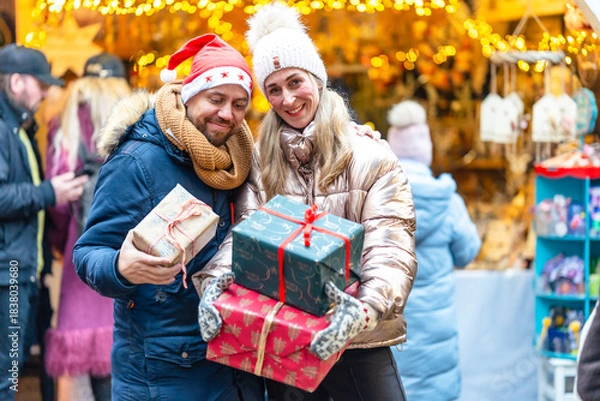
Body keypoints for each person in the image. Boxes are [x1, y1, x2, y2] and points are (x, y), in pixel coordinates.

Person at [195, 4, 417, 401]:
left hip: (358, 339)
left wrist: (359, 312)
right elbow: (247, 236)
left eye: (295, 82)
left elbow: (391, 249)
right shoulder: (261, 163)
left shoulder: (371, 157)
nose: (288, 99)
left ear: (316, 79)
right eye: (274, 90)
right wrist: (215, 284)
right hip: (287, 335)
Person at [72, 34, 265, 400]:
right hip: (162, 373)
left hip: (231, 363)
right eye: (216, 99)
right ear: (189, 94)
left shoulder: (239, 159)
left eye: (239, 103)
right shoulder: (136, 161)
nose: (228, 113)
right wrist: (120, 268)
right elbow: (87, 253)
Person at [0, 44, 89, 401]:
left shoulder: (18, 127)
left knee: (12, 371)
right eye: (41, 84)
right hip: (8, 273)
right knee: (7, 376)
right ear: (18, 82)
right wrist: (50, 192)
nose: (47, 92)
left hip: (20, 271)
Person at [44, 52, 132, 401]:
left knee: (78, 371)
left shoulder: (65, 125)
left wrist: (58, 242)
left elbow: (59, 202)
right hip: (126, 255)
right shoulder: (135, 123)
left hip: (78, 254)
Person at [386, 100, 481, 401]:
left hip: (392, 334)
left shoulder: (379, 201)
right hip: (438, 335)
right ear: (426, 148)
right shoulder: (448, 201)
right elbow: (467, 252)